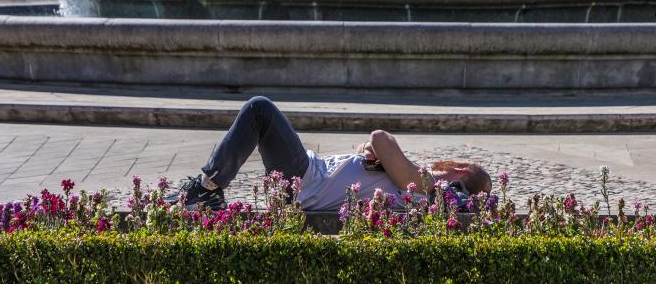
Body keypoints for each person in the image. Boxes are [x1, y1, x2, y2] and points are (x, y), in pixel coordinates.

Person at [173, 96, 492, 211]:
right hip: (307, 178)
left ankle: (208, 189)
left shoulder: (425, 186)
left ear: (461, 171)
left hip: (305, 180)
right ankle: (207, 189)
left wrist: (376, 147)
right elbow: (366, 150)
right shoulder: (417, 185)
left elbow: (379, 137)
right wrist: (369, 151)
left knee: (260, 109)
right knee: (261, 112)